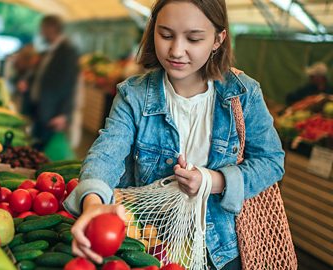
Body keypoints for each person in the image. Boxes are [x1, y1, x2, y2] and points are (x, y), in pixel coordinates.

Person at [63, 1, 285, 269]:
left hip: (223, 252)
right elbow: (106, 153)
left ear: (218, 39)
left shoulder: (243, 94)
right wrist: (93, 202)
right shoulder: (133, 95)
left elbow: (271, 161)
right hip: (150, 244)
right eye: (166, 35)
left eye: (193, 38)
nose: (176, 50)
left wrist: (214, 181)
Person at [29, 15, 79, 151]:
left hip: (52, 114)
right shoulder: (49, 50)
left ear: (52, 28)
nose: (41, 33)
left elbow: (70, 85)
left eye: (43, 29)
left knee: (46, 152)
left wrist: (64, 114)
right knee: (36, 148)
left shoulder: (68, 52)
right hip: (41, 110)